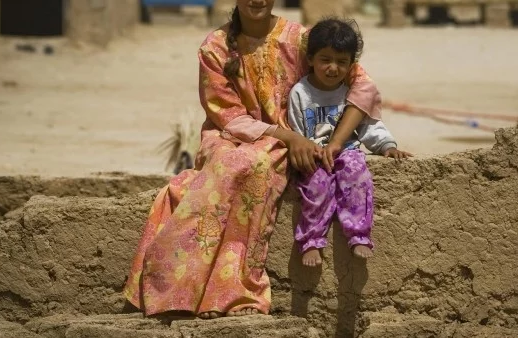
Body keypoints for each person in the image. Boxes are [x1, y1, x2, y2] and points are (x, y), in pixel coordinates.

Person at [124, 0, 389, 319]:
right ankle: (177, 283)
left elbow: (362, 84)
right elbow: (227, 114)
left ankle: (233, 291)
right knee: (235, 164)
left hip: (291, 140)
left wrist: (332, 140)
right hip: (231, 136)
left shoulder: (301, 39)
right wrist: (286, 136)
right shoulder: (215, 47)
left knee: (257, 165)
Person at [287, 18, 412, 267]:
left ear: (351, 63)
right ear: (310, 59)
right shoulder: (299, 93)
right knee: (316, 184)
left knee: (356, 171)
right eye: (325, 60)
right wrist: (307, 153)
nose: (333, 68)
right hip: (313, 154)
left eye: (341, 62)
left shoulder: (350, 91)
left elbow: (366, 124)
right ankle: (311, 241)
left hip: (346, 151)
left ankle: (358, 234)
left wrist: (387, 146)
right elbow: (296, 130)